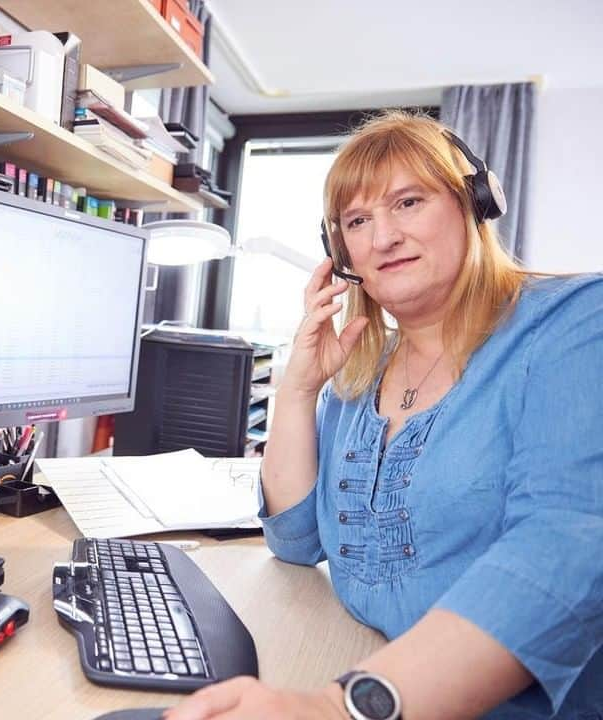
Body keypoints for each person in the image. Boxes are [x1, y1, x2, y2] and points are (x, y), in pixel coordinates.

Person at [166, 111, 602, 720]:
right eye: (357, 221)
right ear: (340, 253)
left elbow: (567, 545)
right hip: (357, 665)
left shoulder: (578, 323)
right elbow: (295, 541)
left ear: (474, 203)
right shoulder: (361, 373)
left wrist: (333, 708)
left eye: (409, 202)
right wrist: (299, 387)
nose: (383, 237)